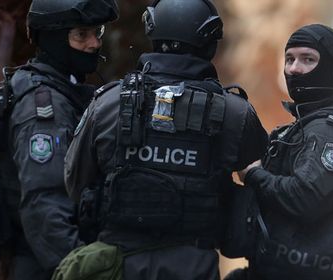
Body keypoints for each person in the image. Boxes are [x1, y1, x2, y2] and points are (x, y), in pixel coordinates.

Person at [63, 0, 268, 279]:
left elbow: (75, 182)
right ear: (209, 41)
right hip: (195, 267)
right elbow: (264, 189)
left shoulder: (108, 103)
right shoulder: (236, 114)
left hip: (117, 266)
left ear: (152, 32)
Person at [0, 0, 119, 279]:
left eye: (98, 32)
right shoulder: (44, 107)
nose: (94, 43)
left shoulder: (63, 89)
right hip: (45, 265)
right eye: (81, 35)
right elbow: (43, 204)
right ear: (54, 38)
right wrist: (80, 270)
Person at [232, 24, 333, 280]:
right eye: (289, 59)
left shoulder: (329, 133)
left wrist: (253, 174)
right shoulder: (306, 126)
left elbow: (305, 198)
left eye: (308, 59)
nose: (294, 69)